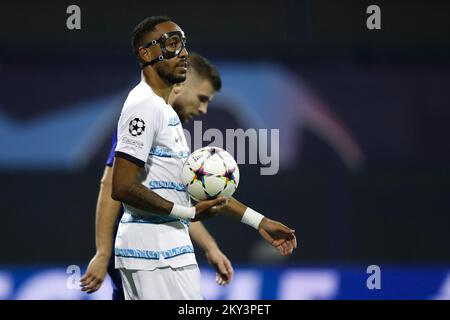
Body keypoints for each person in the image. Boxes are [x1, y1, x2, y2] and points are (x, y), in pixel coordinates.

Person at [106, 16, 296, 300]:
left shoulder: (165, 115)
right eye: (171, 44)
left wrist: (259, 221)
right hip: (153, 255)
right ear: (146, 54)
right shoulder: (143, 108)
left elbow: (194, 190)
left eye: (182, 45)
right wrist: (190, 213)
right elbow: (119, 186)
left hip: (167, 252)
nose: (181, 52)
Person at [80, 53, 234, 298]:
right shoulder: (142, 117)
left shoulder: (171, 131)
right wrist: (102, 253)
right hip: (142, 252)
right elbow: (111, 185)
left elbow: (175, 205)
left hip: (162, 253)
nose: (203, 109)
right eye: (202, 99)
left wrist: (210, 247)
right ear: (181, 84)